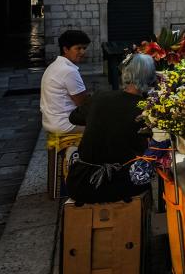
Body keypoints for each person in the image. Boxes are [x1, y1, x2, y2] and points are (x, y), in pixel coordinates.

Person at [65, 53, 157, 204]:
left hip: (80, 182)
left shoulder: (100, 97)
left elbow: (74, 117)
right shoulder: (145, 109)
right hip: (119, 184)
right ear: (151, 78)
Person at [40, 30, 91, 134]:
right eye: (78, 48)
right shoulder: (68, 71)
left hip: (50, 122)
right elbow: (83, 104)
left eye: (84, 48)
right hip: (65, 124)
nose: (82, 52)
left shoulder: (54, 65)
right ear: (65, 49)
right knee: (107, 127)